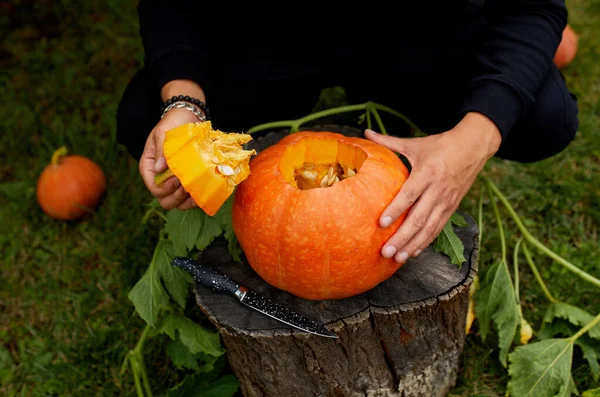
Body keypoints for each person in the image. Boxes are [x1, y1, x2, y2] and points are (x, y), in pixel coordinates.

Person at [117, 0, 578, 266]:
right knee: (143, 119)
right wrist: (183, 100)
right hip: (271, 30)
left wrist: (476, 137)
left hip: (416, 27)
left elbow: (534, 5)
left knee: (543, 119)